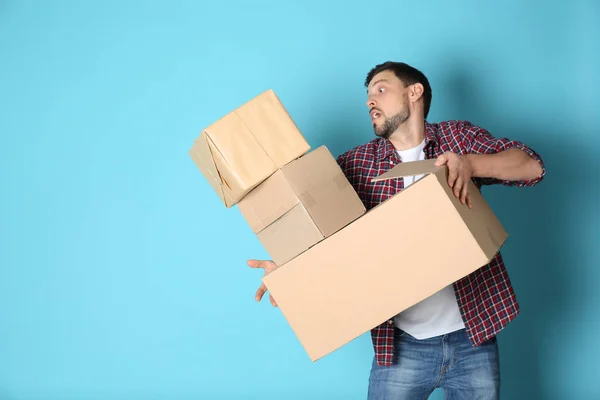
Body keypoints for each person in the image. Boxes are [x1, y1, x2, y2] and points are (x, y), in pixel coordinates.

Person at [247, 61, 546, 400]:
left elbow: (531, 166)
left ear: (414, 92)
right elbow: (319, 231)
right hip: (401, 346)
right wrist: (289, 273)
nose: (370, 100)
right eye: (368, 94)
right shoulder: (357, 164)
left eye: (381, 89)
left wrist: (469, 163)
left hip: (472, 337)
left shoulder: (456, 138)